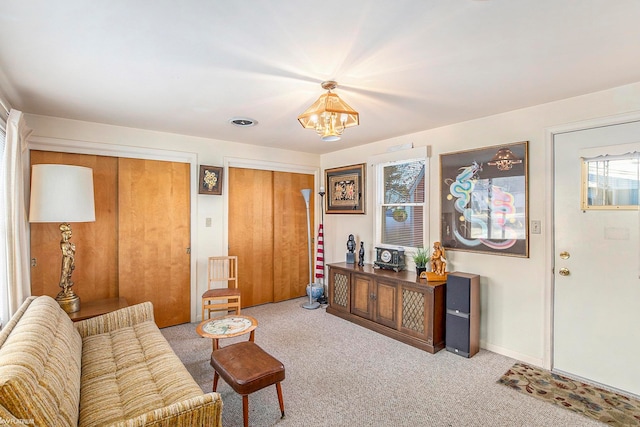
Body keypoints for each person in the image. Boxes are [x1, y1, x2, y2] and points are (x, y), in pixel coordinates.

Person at [58, 223, 76, 295]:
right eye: (69, 234)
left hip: (70, 259)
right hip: (66, 260)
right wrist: (71, 250)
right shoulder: (63, 243)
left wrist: (73, 249)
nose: (70, 235)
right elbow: (65, 253)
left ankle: (68, 287)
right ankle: (65, 287)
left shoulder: (69, 243)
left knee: (69, 272)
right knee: (65, 272)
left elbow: (71, 252)